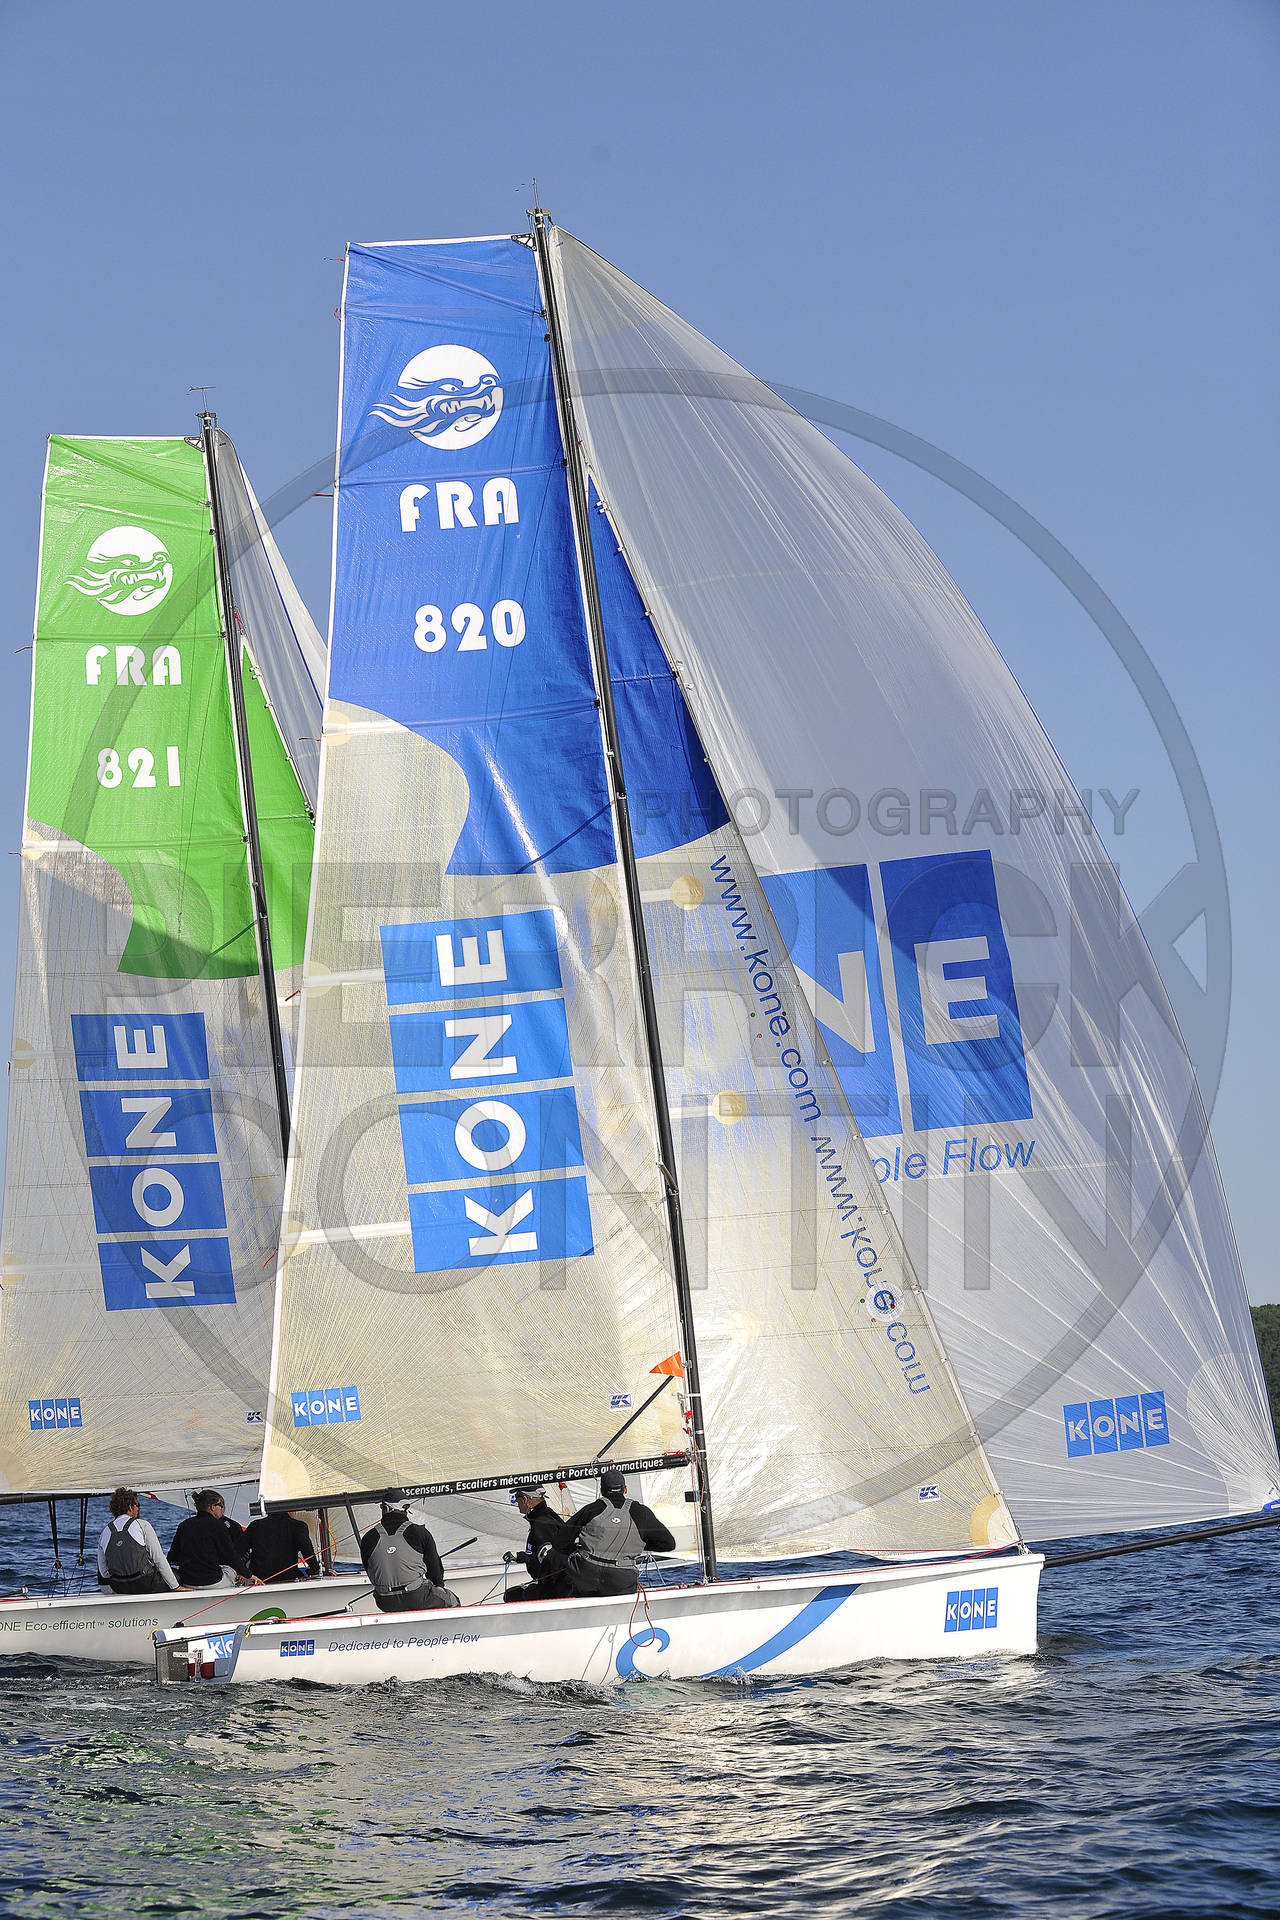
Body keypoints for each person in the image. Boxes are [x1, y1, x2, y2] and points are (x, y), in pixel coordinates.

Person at [547, 1468, 676, 1597]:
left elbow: (559, 1542)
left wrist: (578, 1549)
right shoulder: (641, 1512)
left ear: (602, 1491)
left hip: (586, 1576)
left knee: (556, 1556)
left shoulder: (590, 1510)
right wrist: (636, 1545)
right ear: (625, 1489)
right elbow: (668, 1544)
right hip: (621, 1580)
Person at [360, 1496, 459, 1613]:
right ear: (405, 1510)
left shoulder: (368, 1537)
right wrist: (438, 1589)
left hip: (385, 1602)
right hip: (418, 1596)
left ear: (386, 1509)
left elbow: (370, 1571)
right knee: (452, 1600)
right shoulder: (420, 1532)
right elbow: (435, 1572)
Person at [168, 1489, 258, 1590]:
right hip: (213, 1583)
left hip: (188, 1583)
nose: (223, 1509)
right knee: (230, 1569)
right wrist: (249, 1575)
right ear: (212, 1507)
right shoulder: (218, 1525)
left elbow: (172, 1557)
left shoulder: (183, 1525)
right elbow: (231, 1556)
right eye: (221, 1505)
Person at [97, 1488, 180, 1595]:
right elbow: (158, 1559)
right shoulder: (143, 1525)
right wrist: (175, 1586)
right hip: (144, 1584)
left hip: (119, 1587)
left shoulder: (105, 1532)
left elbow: (104, 1572)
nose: (139, 1509)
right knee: (179, 1575)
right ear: (130, 1507)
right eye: (137, 1505)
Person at [503, 1485, 573, 1603]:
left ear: (525, 1499)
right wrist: (519, 1556)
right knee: (514, 1593)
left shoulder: (542, 1523)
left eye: (517, 1498)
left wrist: (537, 1588)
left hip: (554, 1588)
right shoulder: (545, 1516)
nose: (516, 1502)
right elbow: (542, 1554)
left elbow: (551, 1560)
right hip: (554, 1583)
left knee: (510, 1596)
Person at [243, 1508, 320, 1585]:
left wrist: (244, 1573)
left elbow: (239, 1551)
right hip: (288, 1579)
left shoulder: (255, 1526)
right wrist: (314, 1570)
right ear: (290, 1509)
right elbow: (307, 1552)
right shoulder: (298, 1526)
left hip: (259, 1581)